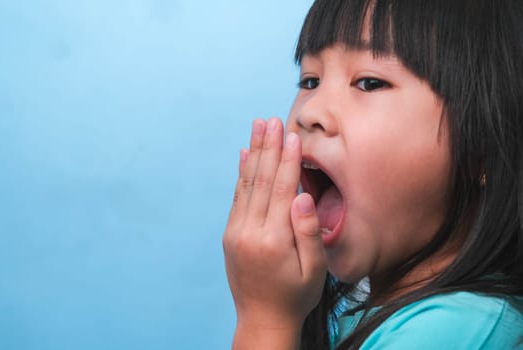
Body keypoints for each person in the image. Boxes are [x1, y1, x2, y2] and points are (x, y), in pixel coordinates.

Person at [222, 0, 523, 348]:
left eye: (368, 83)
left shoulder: (454, 331)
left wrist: (266, 320)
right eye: (309, 80)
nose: (311, 111)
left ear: (480, 148)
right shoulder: (372, 315)